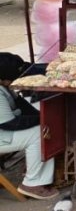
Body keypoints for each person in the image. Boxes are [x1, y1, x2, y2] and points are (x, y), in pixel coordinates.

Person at [0, 54, 58, 200]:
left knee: (42, 126)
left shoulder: (3, 86)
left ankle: (35, 169)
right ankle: (32, 184)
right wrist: (41, 121)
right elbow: (9, 123)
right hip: (3, 130)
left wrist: (43, 118)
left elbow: (21, 105)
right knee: (40, 133)